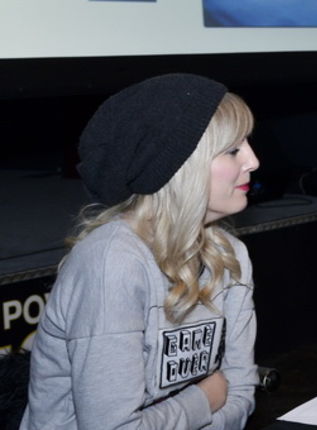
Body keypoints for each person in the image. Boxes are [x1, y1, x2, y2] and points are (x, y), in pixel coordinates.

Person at [21, 73, 260, 429]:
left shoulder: (230, 254)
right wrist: (203, 399)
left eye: (247, 144)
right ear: (179, 167)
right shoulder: (112, 263)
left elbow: (240, 393)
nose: (253, 161)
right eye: (232, 150)